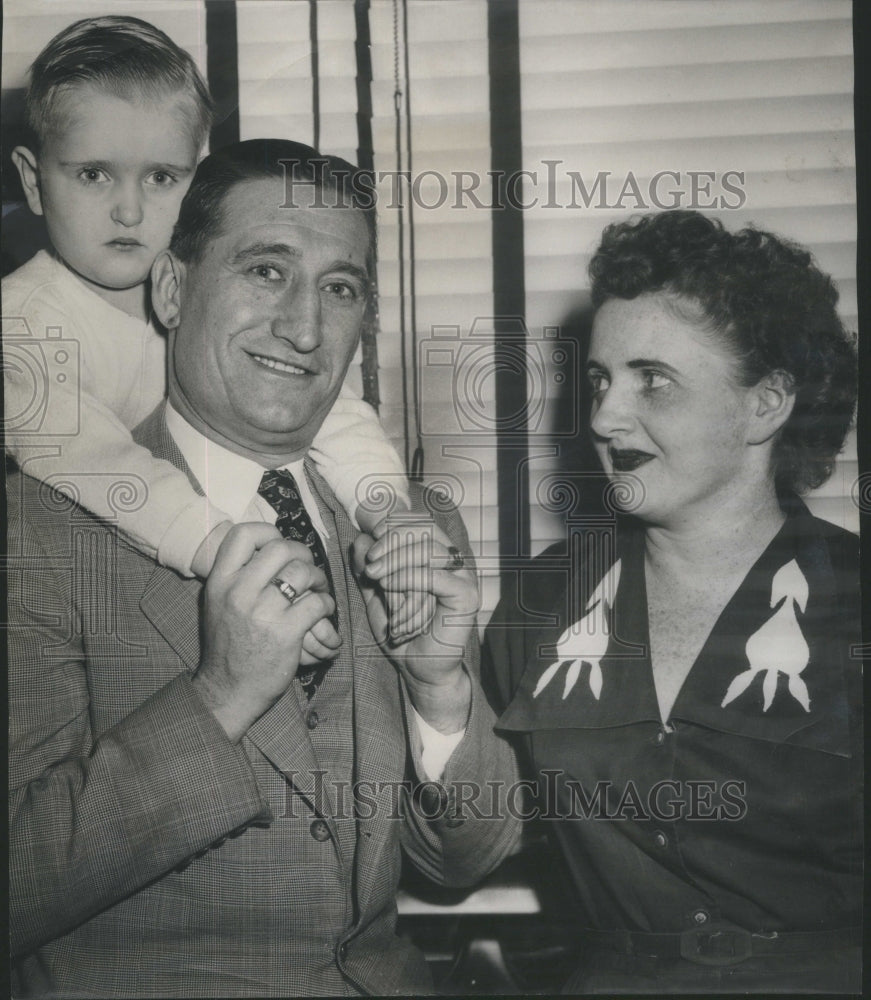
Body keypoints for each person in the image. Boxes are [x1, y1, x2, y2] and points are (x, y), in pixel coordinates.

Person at [8, 138, 520, 997]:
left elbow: (463, 860)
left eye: (339, 288)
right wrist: (220, 697)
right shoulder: (36, 532)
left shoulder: (414, 525)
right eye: (265, 271)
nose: (304, 328)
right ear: (171, 290)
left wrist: (439, 695)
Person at [483, 210, 861, 993]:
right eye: (599, 380)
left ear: (765, 403)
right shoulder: (541, 599)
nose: (603, 417)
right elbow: (470, 843)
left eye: (651, 379)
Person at [3, 16, 426, 641]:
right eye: (93, 174)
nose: (129, 211)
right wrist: (234, 555)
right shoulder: (22, 323)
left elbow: (333, 411)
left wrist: (388, 514)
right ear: (34, 182)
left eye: (161, 177)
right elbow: (96, 463)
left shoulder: (204, 296)